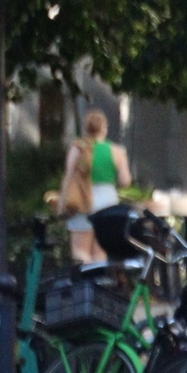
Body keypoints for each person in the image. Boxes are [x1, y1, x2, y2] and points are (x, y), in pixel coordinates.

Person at [60, 112, 130, 267]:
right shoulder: (117, 151)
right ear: (104, 128)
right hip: (108, 201)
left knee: (80, 250)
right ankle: (99, 287)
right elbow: (125, 181)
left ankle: (87, 288)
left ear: (86, 129)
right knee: (101, 251)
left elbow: (68, 177)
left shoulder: (77, 148)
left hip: (84, 200)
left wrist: (61, 204)